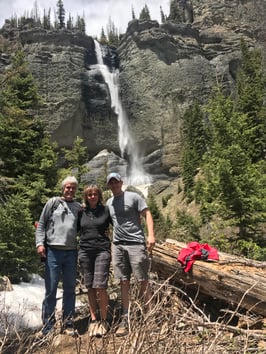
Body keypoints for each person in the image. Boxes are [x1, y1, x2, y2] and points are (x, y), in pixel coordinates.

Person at [106, 172, 156, 337]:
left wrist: (151, 235)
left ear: (122, 182)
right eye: (111, 183)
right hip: (118, 246)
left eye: (116, 182)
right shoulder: (109, 203)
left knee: (143, 279)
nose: (114, 185)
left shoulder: (134, 197)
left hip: (135, 244)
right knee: (123, 281)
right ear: (109, 186)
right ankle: (125, 318)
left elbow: (147, 213)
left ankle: (151, 317)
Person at [35, 176, 81, 337]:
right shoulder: (53, 202)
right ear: (63, 188)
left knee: (69, 289)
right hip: (53, 251)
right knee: (51, 289)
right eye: (68, 187)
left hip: (71, 252)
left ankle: (68, 322)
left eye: (73, 188)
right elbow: (41, 224)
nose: (70, 190)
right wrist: (39, 244)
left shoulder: (78, 207)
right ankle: (48, 326)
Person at [78, 184, 112, 337]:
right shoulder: (81, 212)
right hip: (85, 251)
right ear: (86, 196)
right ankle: (93, 320)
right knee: (90, 286)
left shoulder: (105, 210)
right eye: (90, 194)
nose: (92, 196)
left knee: (100, 286)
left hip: (101, 250)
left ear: (99, 196)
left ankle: (104, 320)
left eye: (95, 194)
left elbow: (117, 225)